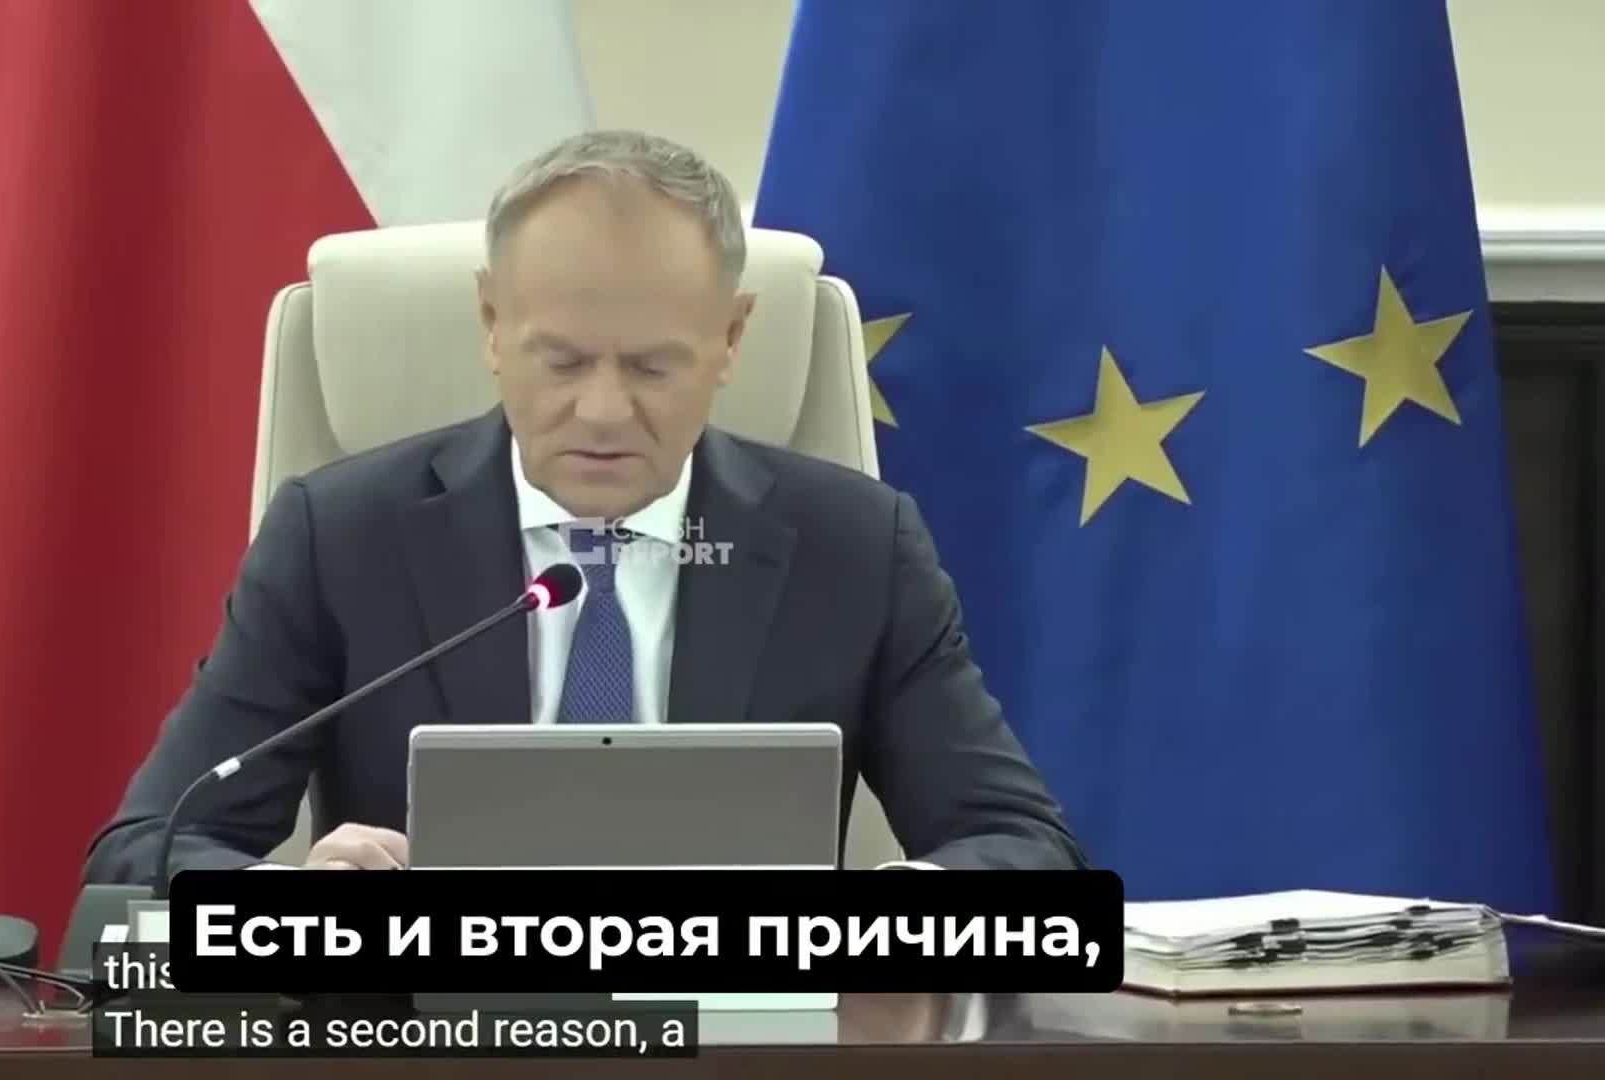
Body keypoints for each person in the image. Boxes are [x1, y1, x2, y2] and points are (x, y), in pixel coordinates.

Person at [81, 130, 1084, 881]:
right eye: (562, 362)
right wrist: (289, 902)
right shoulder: (341, 538)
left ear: (733, 340)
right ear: (491, 323)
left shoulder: (856, 547)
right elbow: (146, 849)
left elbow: (1027, 849)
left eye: (653, 367)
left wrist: (914, 905)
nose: (603, 412)